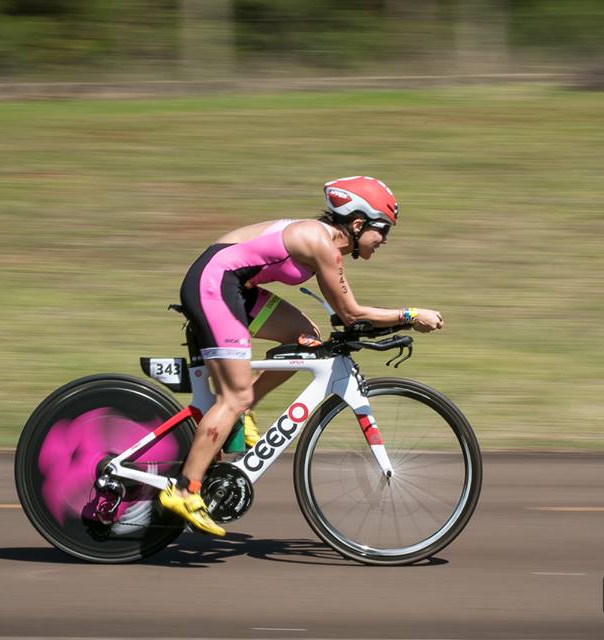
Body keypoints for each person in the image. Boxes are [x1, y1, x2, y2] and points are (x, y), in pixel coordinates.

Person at [159, 176, 444, 536]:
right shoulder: (319, 243)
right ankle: (186, 490)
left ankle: (239, 412)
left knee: (306, 338)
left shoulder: (321, 240)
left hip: (233, 284)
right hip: (215, 284)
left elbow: (339, 316)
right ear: (357, 224)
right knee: (235, 394)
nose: (385, 239)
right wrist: (410, 315)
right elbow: (351, 314)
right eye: (383, 230)